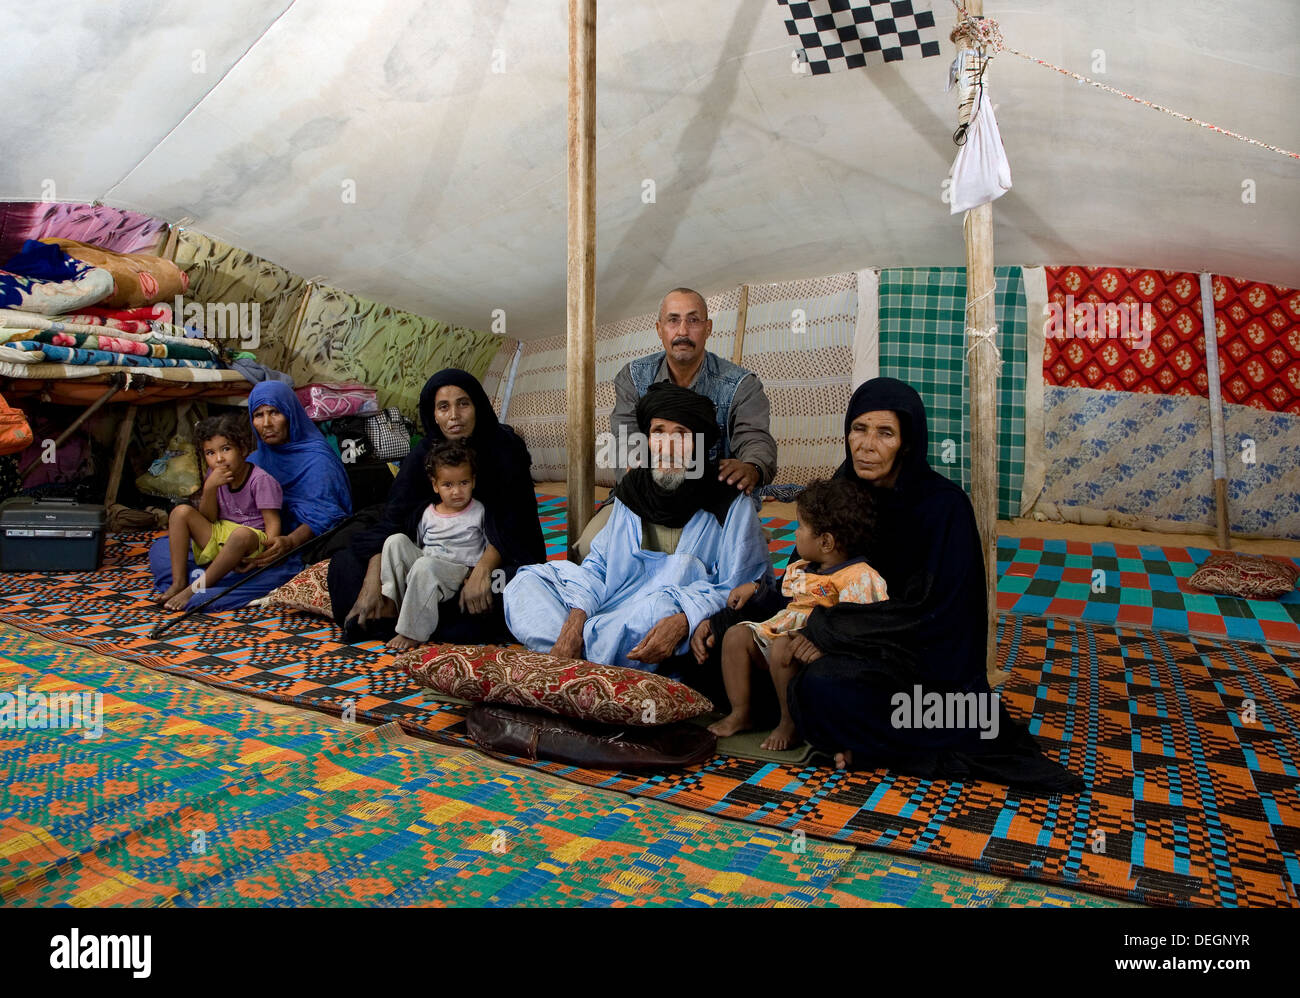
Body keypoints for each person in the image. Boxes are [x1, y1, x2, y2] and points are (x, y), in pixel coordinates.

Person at [781, 377, 1083, 793]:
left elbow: (937, 620)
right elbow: (803, 567)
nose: (866, 445)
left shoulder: (944, 508)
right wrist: (802, 621)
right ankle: (861, 742)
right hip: (848, 644)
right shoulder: (842, 490)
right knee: (748, 640)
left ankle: (882, 750)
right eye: (859, 429)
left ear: (906, 442)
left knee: (826, 686)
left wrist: (827, 633)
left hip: (921, 671)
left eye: (885, 433)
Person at [504, 383, 773, 671]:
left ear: (700, 443)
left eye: (681, 434)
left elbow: (744, 588)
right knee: (525, 583)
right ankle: (591, 665)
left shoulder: (728, 500)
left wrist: (686, 619)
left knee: (658, 612)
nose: (668, 446)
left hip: (656, 618)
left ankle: (576, 666)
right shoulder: (634, 489)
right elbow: (598, 567)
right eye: (658, 432)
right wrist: (575, 621)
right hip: (609, 606)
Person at [328, 369, 545, 643]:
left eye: (463, 403)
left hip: (486, 561)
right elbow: (393, 521)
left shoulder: (505, 450)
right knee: (344, 565)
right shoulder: (423, 455)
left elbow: (515, 527)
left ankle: (407, 622)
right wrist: (373, 583)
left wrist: (482, 571)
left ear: (477, 406)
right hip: (427, 560)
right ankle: (397, 611)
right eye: (444, 407)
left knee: (516, 585)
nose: (454, 415)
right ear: (433, 414)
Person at [574, 287, 777, 558]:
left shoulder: (741, 385)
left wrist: (752, 466)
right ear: (659, 329)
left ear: (708, 328)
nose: (682, 331)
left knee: (741, 559)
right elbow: (626, 441)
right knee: (591, 546)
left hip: (712, 499)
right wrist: (651, 489)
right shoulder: (634, 378)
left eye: (693, 320)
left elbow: (755, 439)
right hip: (643, 497)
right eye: (673, 320)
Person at [707, 478, 888, 750]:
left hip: (817, 648)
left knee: (783, 648)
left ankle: (788, 723)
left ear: (826, 541)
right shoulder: (804, 568)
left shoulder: (858, 577)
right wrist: (757, 591)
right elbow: (783, 601)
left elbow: (860, 624)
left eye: (801, 527)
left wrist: (824, 642)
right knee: (736, 636)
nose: (795, 533)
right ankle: (741, 712)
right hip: (783, 628)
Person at [148, 381, 352, 610]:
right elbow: (213, 519)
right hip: (232, 539)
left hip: (284, 547)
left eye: (275, 412)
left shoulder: (317, 459)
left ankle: (201, 584)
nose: (266, 423)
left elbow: (325, 514)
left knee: (254, 572)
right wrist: (210, 490)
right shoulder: (252, 459)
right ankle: (196, 580)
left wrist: (288, 542)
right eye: (258, 415)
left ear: (291, 414)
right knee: (162, 549)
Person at [156, 413, 284, 610]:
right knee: (180, 512)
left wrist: (264, 557)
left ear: (242, 449)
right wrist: (209, 488)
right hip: (221, 534)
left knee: (240, 534)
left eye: (226, 449)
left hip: (250, 540)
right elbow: (209, 518)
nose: (219, 459)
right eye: (210, 453)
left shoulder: (260, 480)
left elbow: (273, 524)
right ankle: (178, 582)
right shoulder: (213, 476)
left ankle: (195, 588)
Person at [380, 442, 486, 651]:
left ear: (473, 481)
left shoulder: (479, 511)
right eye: (448, 485)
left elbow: (490, 545)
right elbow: (419, 544)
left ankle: (412, 632)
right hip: (426, 564)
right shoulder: (428, 512)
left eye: (463, 483)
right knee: (395, 541)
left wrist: (476, 574)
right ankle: (393, 606)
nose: (456, 491)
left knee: (425, 565)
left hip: (456, 570)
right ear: (435, 485)